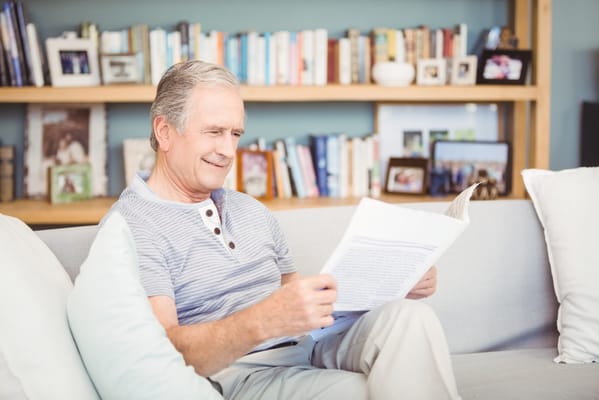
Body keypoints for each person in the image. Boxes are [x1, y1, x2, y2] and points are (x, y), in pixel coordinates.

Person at [107, 60, 461, 399]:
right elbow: (166, 350)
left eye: (235, 134)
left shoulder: (249, 209)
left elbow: (297, 300)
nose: (228, 150)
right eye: (214, 132)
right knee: (375, 392)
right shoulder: (134, 225)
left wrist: (393, 282)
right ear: (164, 131)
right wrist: (264, 320)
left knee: (410, 317)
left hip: (308, 345)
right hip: (241, 373)